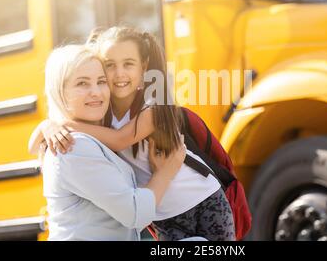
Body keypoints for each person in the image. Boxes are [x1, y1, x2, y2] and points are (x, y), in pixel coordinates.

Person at [29, 27, 236, 241]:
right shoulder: (101, 113)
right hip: (163, 214)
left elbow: (120, 141)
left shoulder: (153, 108)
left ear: (144, 67)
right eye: (109, 66)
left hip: (203, 200)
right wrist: (48, 125)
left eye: (128, 64)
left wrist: (65, 123)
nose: (119, 74)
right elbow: (33, 147)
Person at [35, 44, 185, 240]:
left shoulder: (92, 136)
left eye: (101, 81)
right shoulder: (73, 146)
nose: (96, 92)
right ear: (59, 91)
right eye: (82, 83)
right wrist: (165, 172)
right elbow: (135, 213)